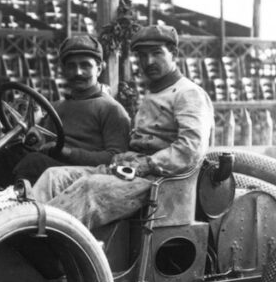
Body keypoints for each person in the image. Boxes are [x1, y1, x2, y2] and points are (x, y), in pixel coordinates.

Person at [31, 24, 214, 230]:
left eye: (156, 53)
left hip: (161, 182)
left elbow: (190, 150)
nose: (148, 62)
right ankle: (18, 227)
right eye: (142, 56)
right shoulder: (155, 92)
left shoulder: (188, 93)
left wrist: (147, 164)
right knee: (53, 177)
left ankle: (44, 235)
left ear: (174, 54)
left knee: (90, 188)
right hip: (134, 172)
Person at [0, 33, 130, 203]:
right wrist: (32, 139)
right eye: (71, 66)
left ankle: (19, 214)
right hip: (48, 166)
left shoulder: (112, 110)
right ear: (64, 69)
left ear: (99, 68)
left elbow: (115, 158)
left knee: (34, 163)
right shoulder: (58, 107)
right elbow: (42, 143)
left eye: (85, 65)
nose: (78, 72)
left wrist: (67, 152)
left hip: (83, 175)